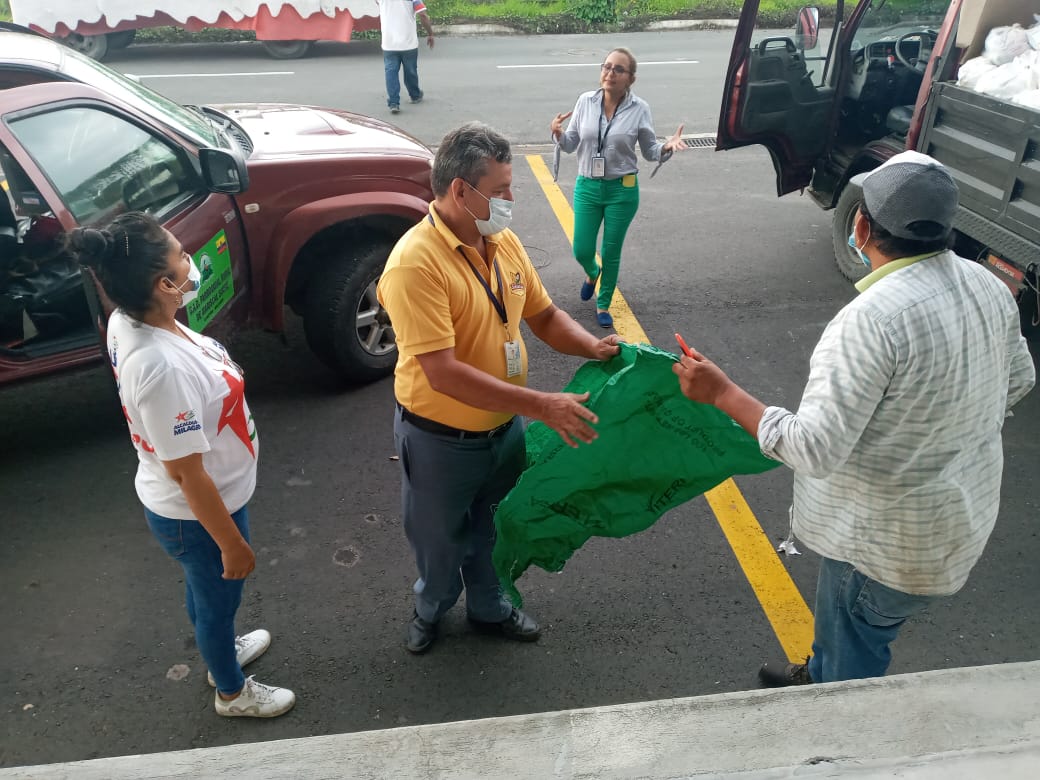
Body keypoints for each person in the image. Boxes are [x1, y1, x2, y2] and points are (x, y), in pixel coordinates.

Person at [672, 151, 1035, 686]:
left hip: (882, 548)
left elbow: (813, 448)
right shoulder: (987, 285)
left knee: (854, 654)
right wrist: (940, 421)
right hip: (956, 523)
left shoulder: (871, 320)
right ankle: (822, 670)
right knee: (855, 633)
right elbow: (1019, 378)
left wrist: (721, 392)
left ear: (861, 227)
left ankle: (834, 704)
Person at [377, 122, 622, 654]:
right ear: (461, 191)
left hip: (503, 431)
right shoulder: (415, 265)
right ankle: (432, 608)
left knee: (496, 528)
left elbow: (545, 315)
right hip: (439, 440)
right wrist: (542, 406)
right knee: (439, 540)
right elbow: (442, 372)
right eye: (501, 189)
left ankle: (490, 606)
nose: (511, 200)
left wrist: (592, 347)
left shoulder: (501, 241)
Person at [68, 213, 295, 718]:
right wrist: (231, 543)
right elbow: (187, 473)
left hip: (204, 507)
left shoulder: (131, 319)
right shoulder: (159, 368)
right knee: (218, 601)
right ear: (164, 285)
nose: (192, 261)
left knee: (208, 592)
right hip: (198, 516)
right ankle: (231, 692)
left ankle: (221, 651)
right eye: (183, 256)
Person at [550, 47, 686, 330]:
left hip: (622, 191)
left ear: (630, 79)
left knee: (611, 250)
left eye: (618, 69)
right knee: (581, 250)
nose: (610, 73)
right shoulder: (585, 101)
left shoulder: (639, 109)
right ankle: (592, 272)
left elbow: (650, 150)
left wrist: (666, 147)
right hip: (587, 186)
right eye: (607, 66)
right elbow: (571, 143)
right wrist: (559, 134)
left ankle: (603, 303)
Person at [378, 0, 434, 115]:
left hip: (389, 43)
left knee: (391, 72)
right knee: (410, 71)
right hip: (408, 43)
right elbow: (422, 15)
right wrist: (430, 34)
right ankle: (415, 95)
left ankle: (394, 103)